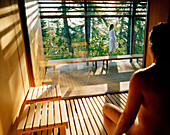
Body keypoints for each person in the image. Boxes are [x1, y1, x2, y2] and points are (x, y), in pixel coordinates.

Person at [103, 22, 170, 135]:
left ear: (151, 48)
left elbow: (127, 119)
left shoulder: (142, 78)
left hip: (144, 132)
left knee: (106, 108)